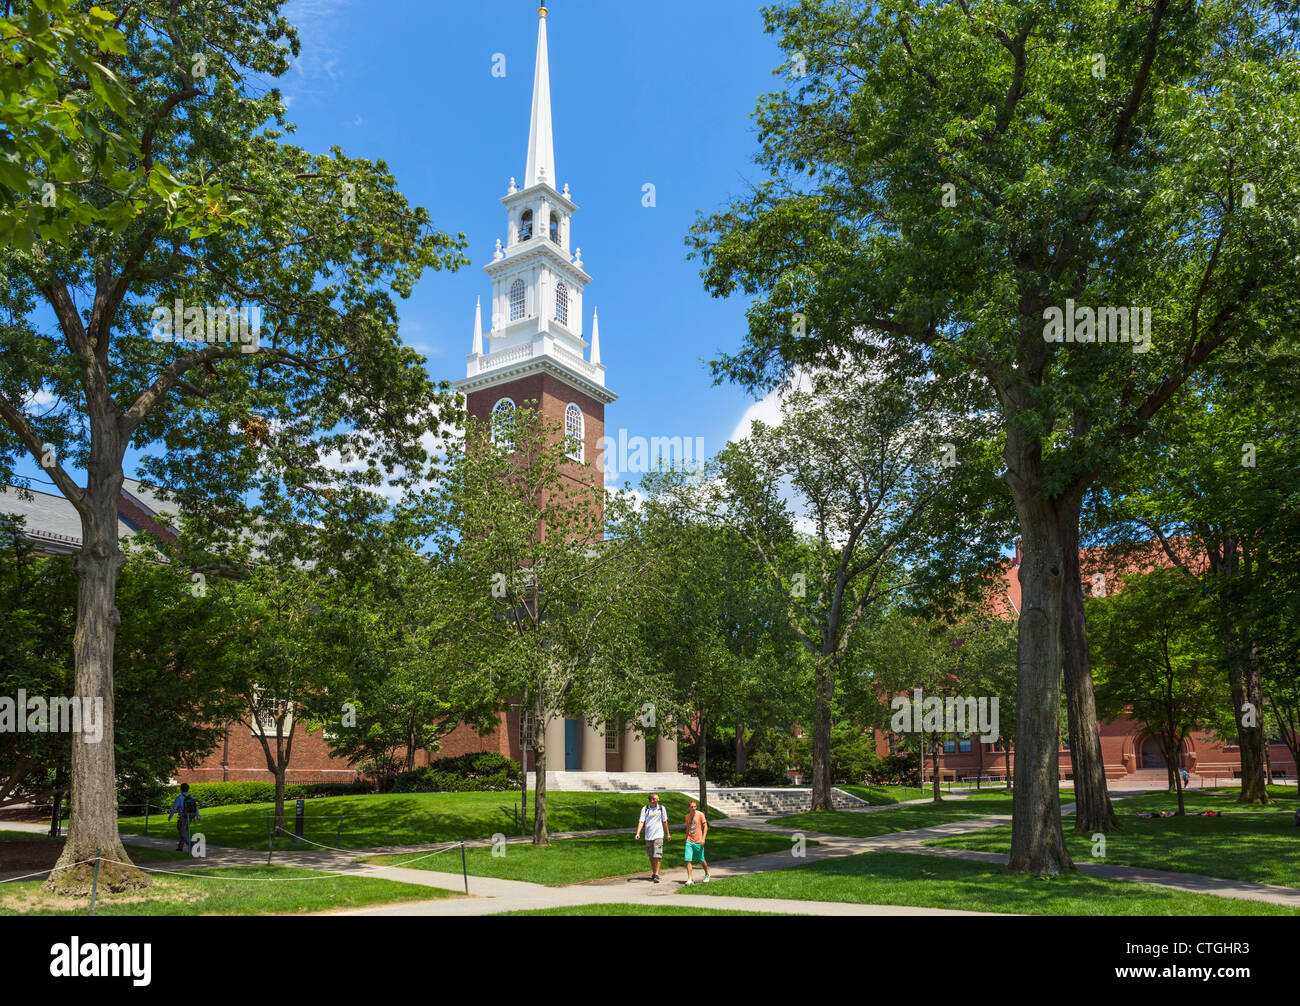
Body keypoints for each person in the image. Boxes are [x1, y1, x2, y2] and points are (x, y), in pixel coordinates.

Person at [633, 792, 670, 883]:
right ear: (652, 800)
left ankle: (656, 874)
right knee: (651, 856)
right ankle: (654, 873)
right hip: (648, 836)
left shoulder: (661, 808)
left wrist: (668, 833)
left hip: (658, 835)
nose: (658, 800)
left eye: (658, 799)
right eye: (657, 799)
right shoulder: (645, 809)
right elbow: (641, 821)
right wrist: (638, 833)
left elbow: (665, 821)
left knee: (657, 855)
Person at [683, 798, 710, 885]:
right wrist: (686, 838)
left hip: (699, 841)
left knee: (701, 860)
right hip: (689, 841)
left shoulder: (700, 815)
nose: (693, 808)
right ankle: (690, 879)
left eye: (695, 807)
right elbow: (688, 828)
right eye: (692, 807)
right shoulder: (687, 817)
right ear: (689, 807)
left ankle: (707, 874)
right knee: (688, 859)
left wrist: (703, 839)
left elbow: (705, 826)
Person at [168, 782, 200, 852]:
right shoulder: (191, 797)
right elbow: (196, 807)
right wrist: (198, 816)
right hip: (190, 816)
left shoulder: (179, 798)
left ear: (181, 789)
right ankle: (180, 847)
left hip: (182, 817)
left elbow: (174, 809)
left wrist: (170, 816)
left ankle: (191, 844)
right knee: (184, 831)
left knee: (181, 832)